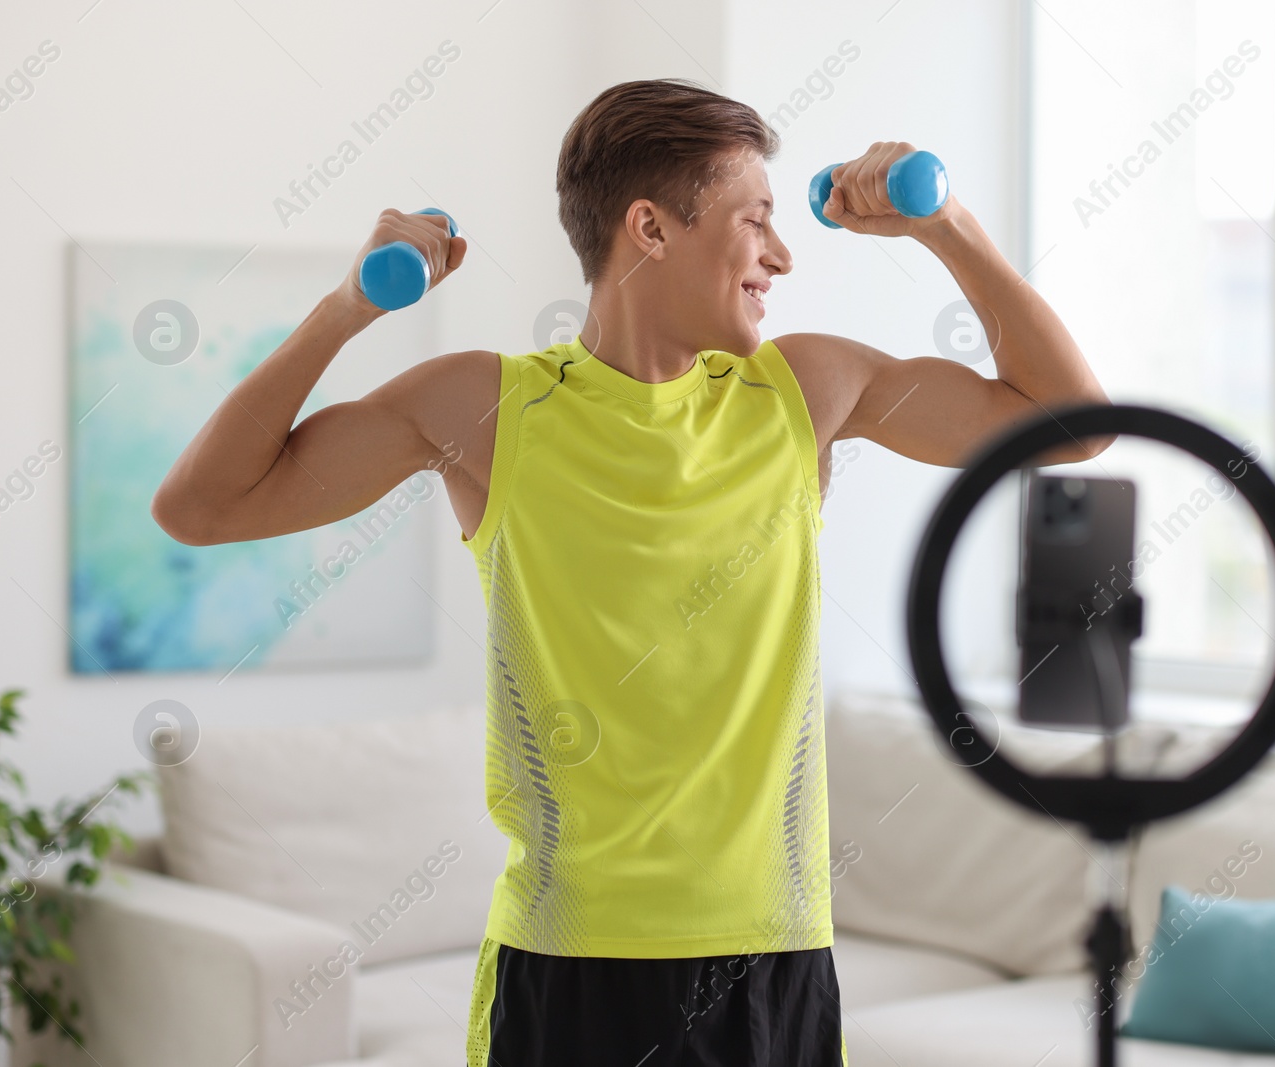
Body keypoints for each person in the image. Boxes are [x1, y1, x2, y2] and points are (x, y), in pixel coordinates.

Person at [151, 77, 1110, 1067]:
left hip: (772, 956)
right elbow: (203, 505)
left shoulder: (803, 390)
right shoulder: (485, 408)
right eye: (756, 222)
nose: (779, 256)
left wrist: (944, 223)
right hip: (573, 965)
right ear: (649, 228)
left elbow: (1075, 424)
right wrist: (347, 308)